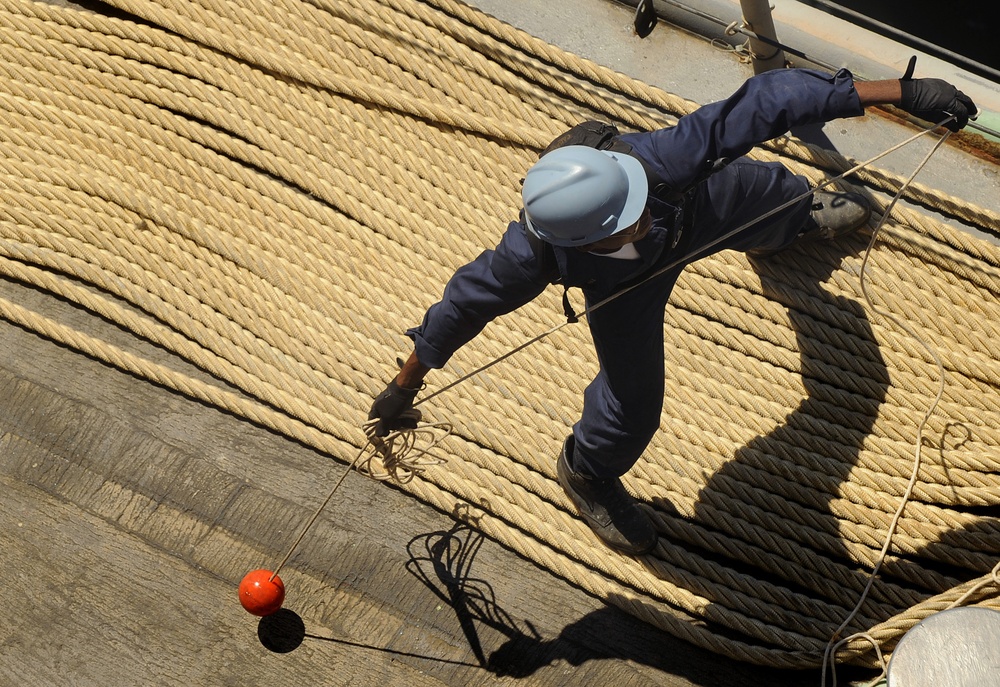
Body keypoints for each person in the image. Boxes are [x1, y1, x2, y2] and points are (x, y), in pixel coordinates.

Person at [369, 67, 977, 556]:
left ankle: (797, 218)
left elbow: (768, 100)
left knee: (764, 190)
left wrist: (903, 92)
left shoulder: (660, 163)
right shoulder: (525, 258)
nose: (640, 220)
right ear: (575, 245)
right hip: (624, 290)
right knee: (633, 403)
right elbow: (459, 309)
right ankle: (587, 471)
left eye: (633, 205)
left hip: (701, 209)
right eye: (624, 224)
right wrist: (403, 387)